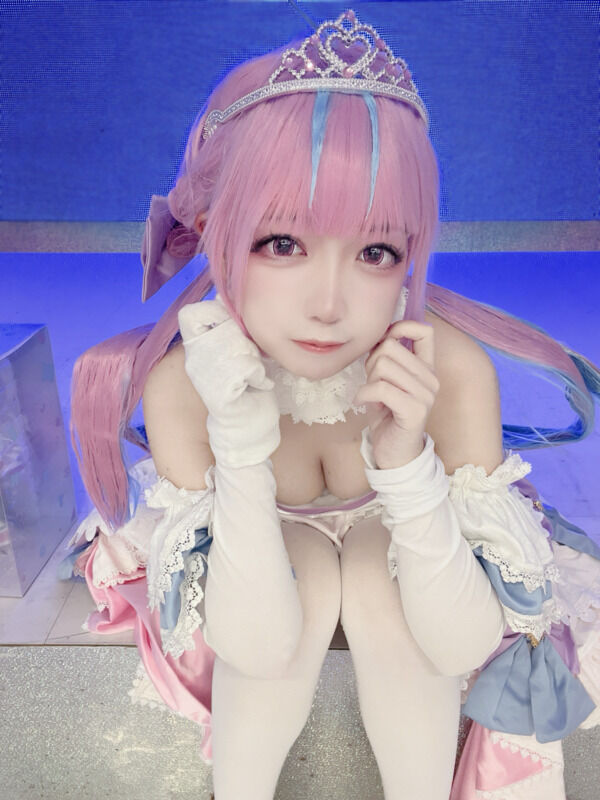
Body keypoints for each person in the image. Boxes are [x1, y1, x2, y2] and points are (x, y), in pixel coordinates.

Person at [61, 9, 600, 799]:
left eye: (376, 251)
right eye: (282, 244)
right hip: (256, 586)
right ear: (212, 232)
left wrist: (407, 466)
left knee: (381, 578)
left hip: (425, 587)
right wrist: (239, 446)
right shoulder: (184, 386)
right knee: (308, 571)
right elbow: (257, 647)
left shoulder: (447, 369)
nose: (329, 304)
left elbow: (459, 647)